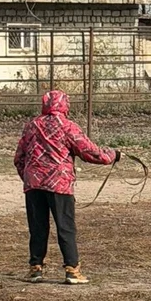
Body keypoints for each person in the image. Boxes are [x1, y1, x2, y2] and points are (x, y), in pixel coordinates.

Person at [14, 90, 120, 284]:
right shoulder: (67, 127)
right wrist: (112, 155)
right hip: (59, 184)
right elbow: (90, 152)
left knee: (37, 227)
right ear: (64, 105)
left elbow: (19, 157)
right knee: (65, 227)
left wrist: (29, 177)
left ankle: (35, 269)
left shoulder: (32, 126)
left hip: (34, 184)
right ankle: (72, 270)